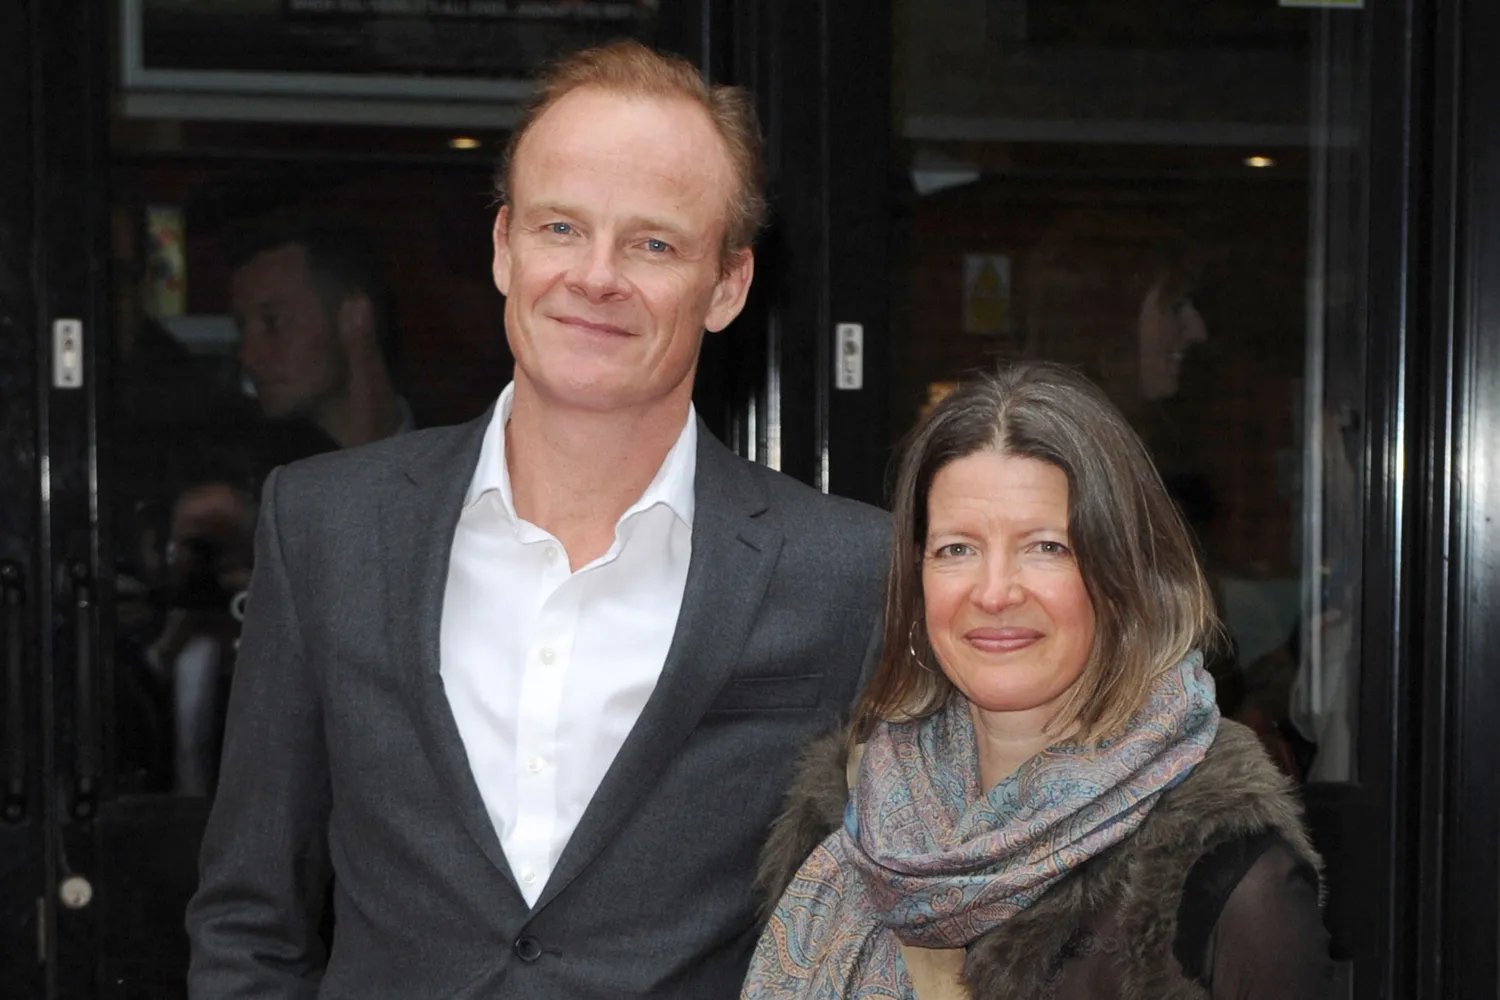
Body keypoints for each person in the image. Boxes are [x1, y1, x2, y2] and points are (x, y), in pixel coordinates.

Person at [185, 40, 888, 999]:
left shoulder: (850, 571)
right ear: (504, 246)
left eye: (653, 243)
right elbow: (248, 919)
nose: (596, 277)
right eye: (562, 227)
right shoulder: (324, 528)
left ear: (726, 286)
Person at [744, 362, 1332, 999]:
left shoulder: (1228, 878)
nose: (994, 592)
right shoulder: (841, 818)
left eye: (1046, 546)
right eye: (956, 549)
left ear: (1123, 577)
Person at [228, 221, 413, 453]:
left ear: (355, 317)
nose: (248, 356)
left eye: (272, 322)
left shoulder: (457, 464)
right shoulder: (252, 477)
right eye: (241, 328)